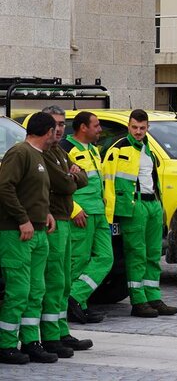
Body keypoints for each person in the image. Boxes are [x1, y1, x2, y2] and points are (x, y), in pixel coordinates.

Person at [103, 109, 177, 317]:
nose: (138, 131)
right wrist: (110, 214)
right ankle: (138, 301)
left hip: (151, 204)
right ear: (128, 126)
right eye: (134, 127)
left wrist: (159, 206)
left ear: (147, 128)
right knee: (136, 255)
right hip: (133, 207)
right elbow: (107, 181)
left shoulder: (148, 149)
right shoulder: (118, 148)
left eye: (142, 128)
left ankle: (153, 296)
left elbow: (152, 179)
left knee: (153, 254)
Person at [0, 112, 59, 365]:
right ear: (46, 131)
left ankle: (31, 341)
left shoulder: (40, 156)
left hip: (37, 231)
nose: (57, 132)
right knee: (18, 291)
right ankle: (6, 344)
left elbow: (31, 191)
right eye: (55, 128)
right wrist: (23, 219)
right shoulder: (20, 153)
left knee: (36, 290)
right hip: (16, 232)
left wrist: (44, 213)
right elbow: (5, 187)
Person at [39, 107, 89, 358]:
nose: (59, 129)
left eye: (62, 123)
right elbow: (63, 183)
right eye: (55, 124)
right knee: (55, 280)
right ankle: (50, 336)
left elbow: (84, 177)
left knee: (65, 280)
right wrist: (72, 177)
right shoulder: (45, 153)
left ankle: (61, 331)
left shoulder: (59, 150)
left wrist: (74, 176)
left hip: (64, 219)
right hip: (53, 222)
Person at [60, 111, 110, 326]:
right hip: (81, 214)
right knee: (77, 262)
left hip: (98, 212)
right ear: (83, 128)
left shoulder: (93, 150)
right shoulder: (66, 149)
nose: (99, 129)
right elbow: (60, 185)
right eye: (96, 125)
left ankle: (75, 298)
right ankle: (76, 307)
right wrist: (74, 209)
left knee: (106, 258)